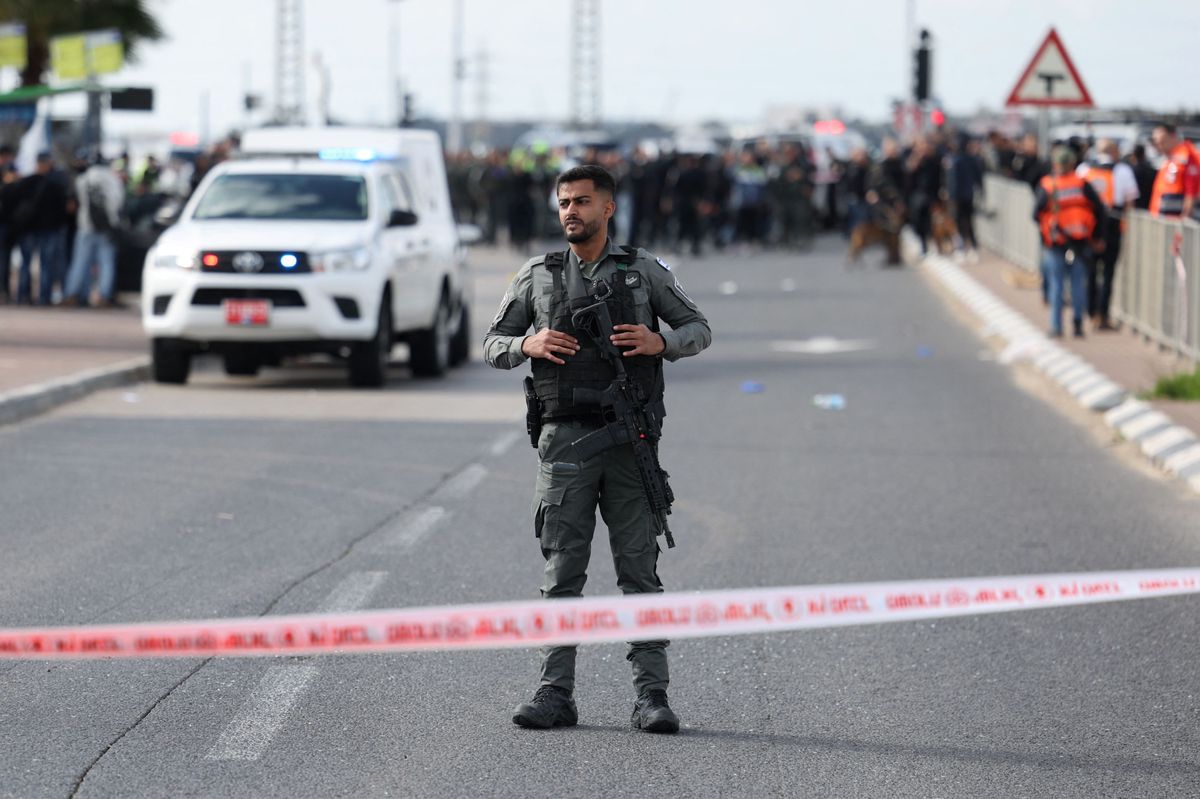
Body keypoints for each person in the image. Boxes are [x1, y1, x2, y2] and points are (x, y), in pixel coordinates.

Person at [484, 164, 711, 734]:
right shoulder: (537, 275)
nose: (570, 212)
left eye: (582, 202)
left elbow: (699, 327)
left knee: (639, 571)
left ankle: (651, 696)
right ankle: (554, 692)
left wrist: (662, 340)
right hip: (564, 442)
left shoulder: (643, 272)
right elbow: (491, 343)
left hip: (629, 441)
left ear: (607, 208)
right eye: (563, 202)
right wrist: (526, 343)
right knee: (562, 571)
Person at [1032, 147, 1106, 338]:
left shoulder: (1048, 185)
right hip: (1080, 243)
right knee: (1077, 285)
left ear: (1055, 164)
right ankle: (1078, 325)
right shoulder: (1082, 184)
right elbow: (1100, 210)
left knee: (1057, 286)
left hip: (1056, 243)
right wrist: (1098, 237)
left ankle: (1057, 327)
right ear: (1072, 164)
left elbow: (1035, 214)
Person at [1077, 139, 1139, 330]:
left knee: (1090, 273)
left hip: (1089, 227)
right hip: (1112, 226)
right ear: (1114, 151)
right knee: (1109, 273)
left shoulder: (1084, 170)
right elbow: (1130, 201)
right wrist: (1125, 225)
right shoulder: (1123, 171)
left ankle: (1090, 312)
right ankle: (1103, 315)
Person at [62, 155, 125, 307]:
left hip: (85, 226)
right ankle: (103, 295)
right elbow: (118, 202)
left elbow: (78, 202)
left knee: (80, 262)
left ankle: (73, 294)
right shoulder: (112, 179)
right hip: (107, 228)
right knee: (106, 263)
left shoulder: (83, 179)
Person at [11, 152, 69, 306]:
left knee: (28, 263)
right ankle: (43, 297)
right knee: (44, 264)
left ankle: (23, 296)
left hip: (30, 229)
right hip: (45, 230)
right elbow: (63, 210)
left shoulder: (26, 182)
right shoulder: (55, 184)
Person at [1149, 123, 1200, 222]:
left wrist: (1184, 220)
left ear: (1172, 136)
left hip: (1174, 225)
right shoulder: (1169, 159)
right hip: (1163, 220)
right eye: (1157, 143)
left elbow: (1191, 192)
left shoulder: (1185, 156)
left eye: (1162, 141)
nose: (1159, 145)